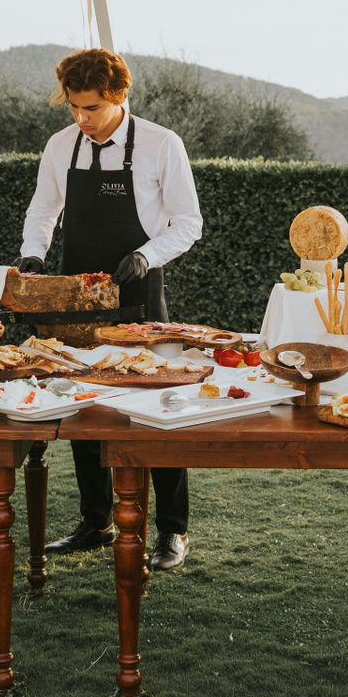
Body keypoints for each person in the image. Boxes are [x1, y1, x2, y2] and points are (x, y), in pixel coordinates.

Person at [17, 48, 203, 571]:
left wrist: (146, 255)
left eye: (92, 108)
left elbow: (189, 223)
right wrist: (33, 253)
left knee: (158, 408)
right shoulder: (60, 146)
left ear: (119, 97)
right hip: (76, 295)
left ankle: (171, 531)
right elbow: (43, 209)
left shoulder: (162, 144)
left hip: (140, 293)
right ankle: (96, 522)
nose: (82, 118)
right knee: (84, 404)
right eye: (74, 107)